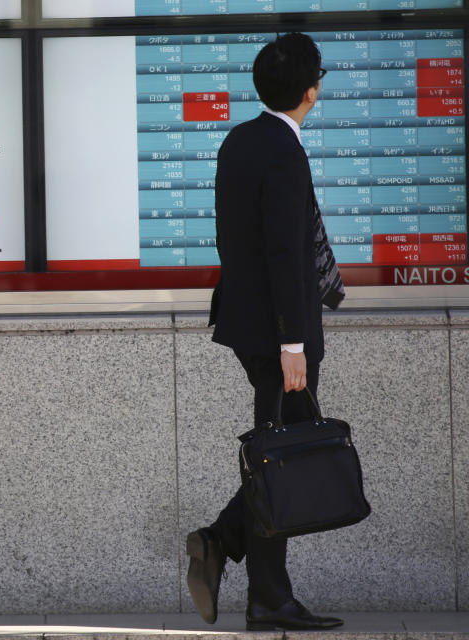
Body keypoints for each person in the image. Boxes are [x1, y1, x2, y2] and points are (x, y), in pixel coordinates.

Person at [186, 32, 345, 631]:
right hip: (279, 335)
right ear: (311, 92)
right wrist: (293, 344)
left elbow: (236, 240)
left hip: (248, 324)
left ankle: (226, 547)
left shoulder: (240, 139)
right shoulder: (283, 149)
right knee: (281, 455)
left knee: (282, 448)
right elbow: (283, 250)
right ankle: (261, 589)